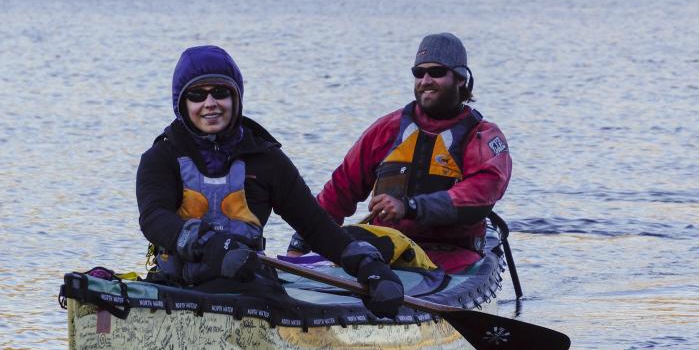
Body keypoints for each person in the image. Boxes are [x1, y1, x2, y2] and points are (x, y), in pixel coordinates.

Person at [136, 45, 404, 318]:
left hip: (246, 288)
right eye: (196, 95)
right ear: (182, 104)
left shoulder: (267, 159)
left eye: (220, 93)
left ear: (236, 98)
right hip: (176, 286)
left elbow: (315, 226)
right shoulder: (161, 157)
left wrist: (369, 266)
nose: (210, 104)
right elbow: (154, 218)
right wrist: (210, 246)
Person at [287, 33, 512, 273]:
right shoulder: (387, 129)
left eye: (436, 72)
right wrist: (299, 245)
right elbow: (340, 190)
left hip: (452, 257)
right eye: (419, 73)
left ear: (460, 79)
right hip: (386, 250)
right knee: (349, 240)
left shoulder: (483, 136)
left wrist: (409, 206)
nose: (425, 80)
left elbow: (481, 194)